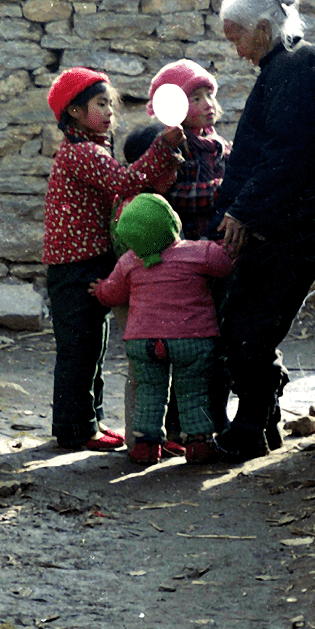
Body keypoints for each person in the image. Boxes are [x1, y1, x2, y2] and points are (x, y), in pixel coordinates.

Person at [210, 0, 315, 463]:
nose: (236, 51)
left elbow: (287, 157)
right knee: (248, 324)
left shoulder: (298, 69)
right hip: (283, 221)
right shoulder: (286, 66)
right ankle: (260, 425)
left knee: (250, 325)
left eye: (237, 40)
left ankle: (251, 428)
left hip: (294, 225)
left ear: (264, 29)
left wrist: (245, 212)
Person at [43, 67, 184, 451]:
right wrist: (161, 149)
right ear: (73, 111)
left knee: (93, 344)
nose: (109, 112)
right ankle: (74, 428)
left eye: (111, 104)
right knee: (79, 348)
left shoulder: (91, 149)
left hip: (88, 261)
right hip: (75, 266)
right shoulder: (82, 153)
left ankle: (90, 421)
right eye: (100, 104)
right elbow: (125, 183)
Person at [91, 194, 236, 466]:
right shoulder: (197, 252)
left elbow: (112, 294)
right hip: (191, 340)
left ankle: (145, 447)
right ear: (172, 222)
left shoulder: (128, 262)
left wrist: (98, 290)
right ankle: (199, 445)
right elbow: (224, 264)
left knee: (149, 390)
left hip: (143, 342)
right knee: (193, 390)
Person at [110, 123, 185, 457]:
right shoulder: (135, 208)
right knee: (141, 370)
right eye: (169, 163)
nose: (176, 170)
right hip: (137, 300)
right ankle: (139, 437)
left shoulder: (151, 201)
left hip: (146, 300)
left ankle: (156, 434)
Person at [146, 59, 230, 241]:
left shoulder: (217, 142)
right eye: (197, 99)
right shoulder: (174, 145)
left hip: (219, 232)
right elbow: (175, 194)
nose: (208, 104)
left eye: (210, 95)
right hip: (189, 237)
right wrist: (218, 190)